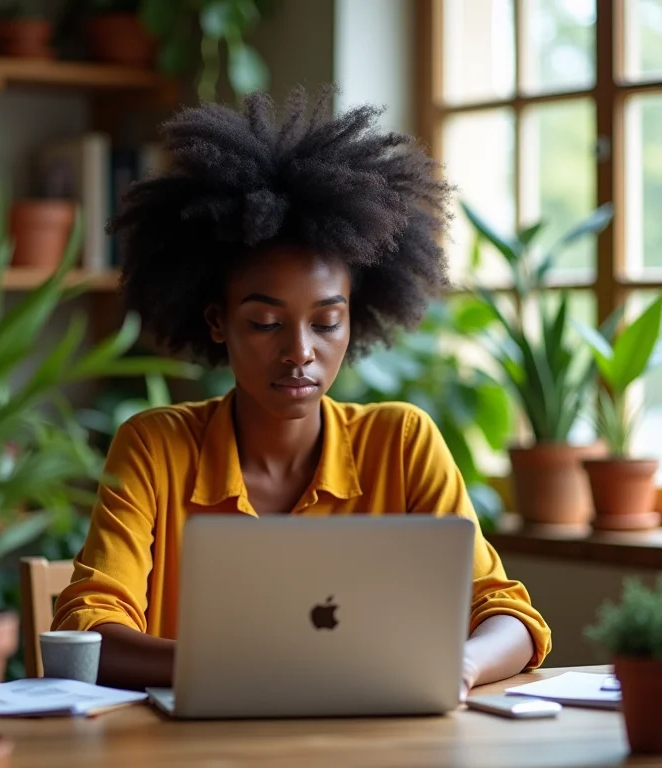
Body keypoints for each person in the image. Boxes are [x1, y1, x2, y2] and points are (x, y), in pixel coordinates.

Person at [52, 87, 551, 695]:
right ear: (217, 321)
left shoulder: (402, 442)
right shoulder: (156, 449)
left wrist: (460, 666)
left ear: (353, 319)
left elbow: (508, 618)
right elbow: (89, 629)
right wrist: (257, 669)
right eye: (265, 323)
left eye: (326, 321)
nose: (299, 353)